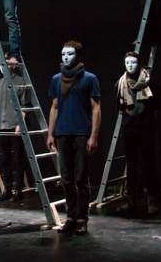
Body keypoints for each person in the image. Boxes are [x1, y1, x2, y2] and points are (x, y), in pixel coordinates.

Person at [46, 40, 101, 234]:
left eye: (69, 54)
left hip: (81, 133)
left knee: (81, 178)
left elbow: (96, 108)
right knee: (66, 179)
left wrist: (93, 136)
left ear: (78, 56)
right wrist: (50, 133)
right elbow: (54, 107)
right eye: (63, 54)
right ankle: (70, 217)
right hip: (62, 133)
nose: (66, 57)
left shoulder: (89, 78)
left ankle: (82, 219)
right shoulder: (56, 79)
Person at [116, 52, 158, 215]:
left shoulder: (149, 82)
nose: (130, 65)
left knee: (148, 164)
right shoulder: (120, 83)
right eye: (127, 62)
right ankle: (131, 200)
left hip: (146, 128)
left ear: (139, 64)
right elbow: (119, 106)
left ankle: (152, 200)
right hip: (130, 129)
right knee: (131, 165)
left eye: (133, 62)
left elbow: (157, 103)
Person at [0, 52, 30, 202]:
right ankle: (7, 190)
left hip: (15, 126)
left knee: (18, 158)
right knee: (5, 159)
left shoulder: (20, 81)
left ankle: (18, 191)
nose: (7, 63)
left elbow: (25, 106)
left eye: (9, 61)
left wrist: (20, 124)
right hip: (1, 125)